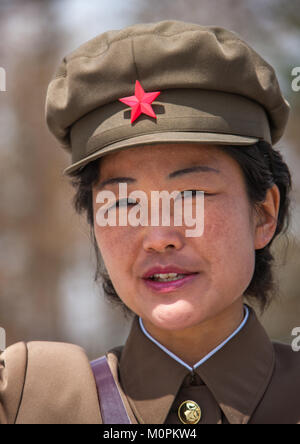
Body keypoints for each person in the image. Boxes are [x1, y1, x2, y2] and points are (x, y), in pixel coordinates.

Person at [1, 19, 299, 425]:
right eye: (123, 204)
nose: (159, 238)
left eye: (191, 196)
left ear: (264, 214)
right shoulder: (30, 400)